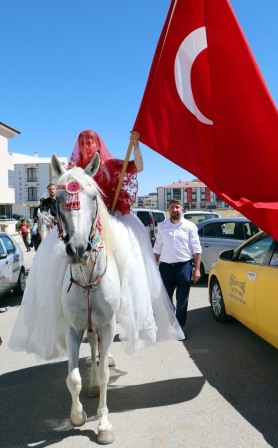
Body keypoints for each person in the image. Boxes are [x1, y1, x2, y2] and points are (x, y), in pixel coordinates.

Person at [9, 130, 183, 360]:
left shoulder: (111, 164)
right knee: (53, 256)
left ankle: (124, 303)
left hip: (112, 220)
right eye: (82, 142)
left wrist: (136, 145)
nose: (86, 146)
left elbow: (138, 167)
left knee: (128, 258)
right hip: (83, 225)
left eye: (90, 141)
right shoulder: (74, 172)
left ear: (98, 144)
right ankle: (57, 308)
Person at [153, 199, 202, 340]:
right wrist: (153, 267)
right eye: (171, 207)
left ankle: (179, 328)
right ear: (168, 210)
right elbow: (157, 248)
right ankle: (169, 325)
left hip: (184, 267)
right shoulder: (162, 226)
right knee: (166, 300)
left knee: (182, 300)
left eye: (177, 207)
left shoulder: (190, 226)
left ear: (182, 209)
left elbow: (197, 249)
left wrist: (197, 269)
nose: (174, 210)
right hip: (166, 268)